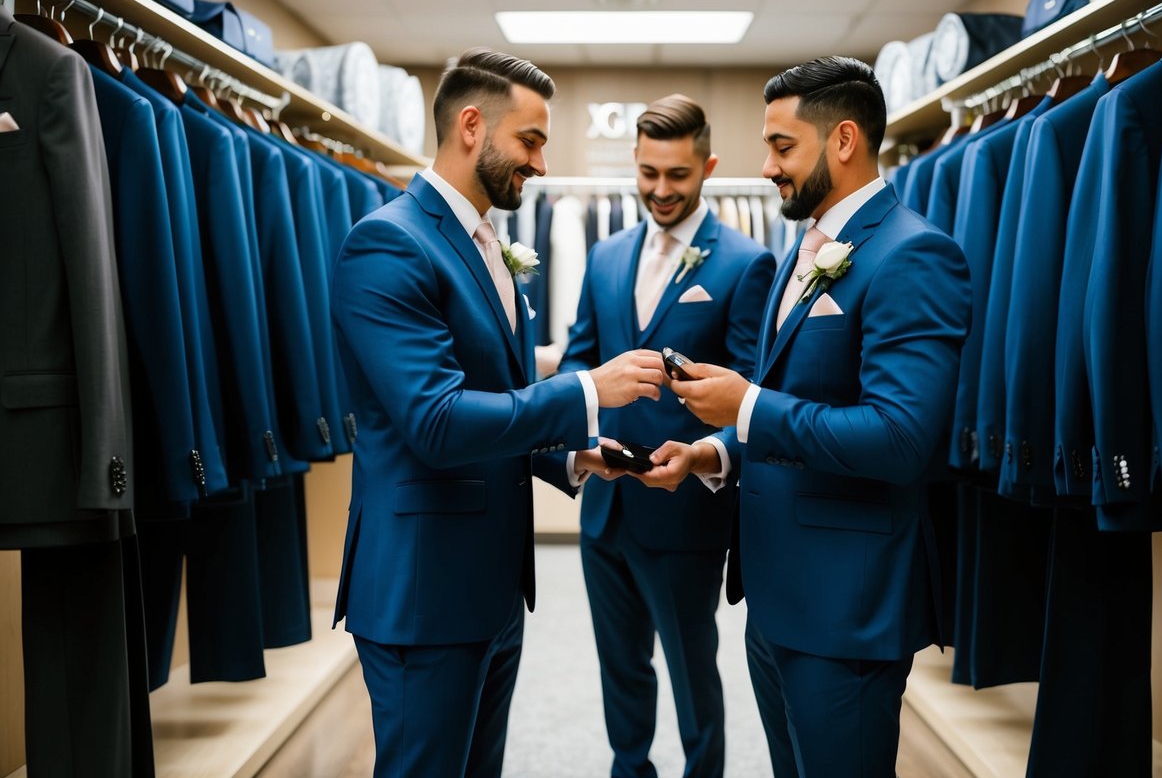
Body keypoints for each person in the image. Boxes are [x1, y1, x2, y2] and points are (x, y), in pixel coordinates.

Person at [329, 47, 666, 778]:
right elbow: (437, 421)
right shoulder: (388, 243)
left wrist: (574, 455)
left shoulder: (487, 242)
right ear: (472, 126)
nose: (541, 164)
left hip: (490, 589)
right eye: (531, 140)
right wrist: (585, 391)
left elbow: (494, 398)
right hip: (424, 591)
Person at [642, 57, 972, 776]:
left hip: (846, 605)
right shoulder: (803, 248)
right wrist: (712, 452)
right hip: (776, 597)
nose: (766, 167)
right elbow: (790, 397)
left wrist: (747, 404)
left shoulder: (914, 254)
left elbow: (900, 438)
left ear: (843, 139)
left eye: (782, 146)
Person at [558, 94, 775, 778]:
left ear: (707, 167)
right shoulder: (604, 255)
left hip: (685, 512)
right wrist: (578, 434)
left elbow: (750, 394)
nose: (660, 189)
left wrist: (707, 455)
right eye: (648, 172)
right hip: (605, 507)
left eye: (677, 174)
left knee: (690, 670)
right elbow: (578, 357)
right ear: (634, 161)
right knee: (620, 669)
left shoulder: (745, 262)